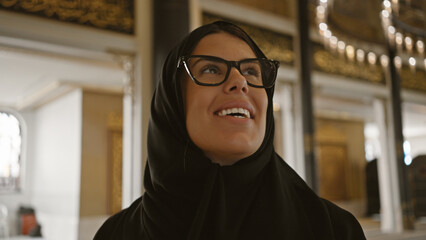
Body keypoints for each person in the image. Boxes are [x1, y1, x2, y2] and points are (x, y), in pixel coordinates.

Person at [94, 21, 366, 239]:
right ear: (172, 102)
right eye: (211, 69)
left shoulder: (334, 230)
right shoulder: (116, 234)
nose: (240, 82)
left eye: (251, 71)